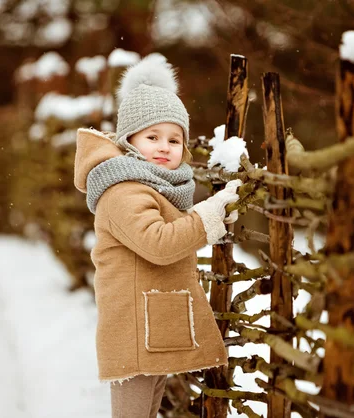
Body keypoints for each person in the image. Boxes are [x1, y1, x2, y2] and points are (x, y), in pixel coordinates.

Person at [74, 53, 241, 418]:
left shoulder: (156, 186)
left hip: (151, 326)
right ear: (129, 140)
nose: (165, 147)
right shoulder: (122, 189)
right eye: (153, 136)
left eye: (174, 139)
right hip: (134, 331)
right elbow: (158, 243)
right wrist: (208, 216)